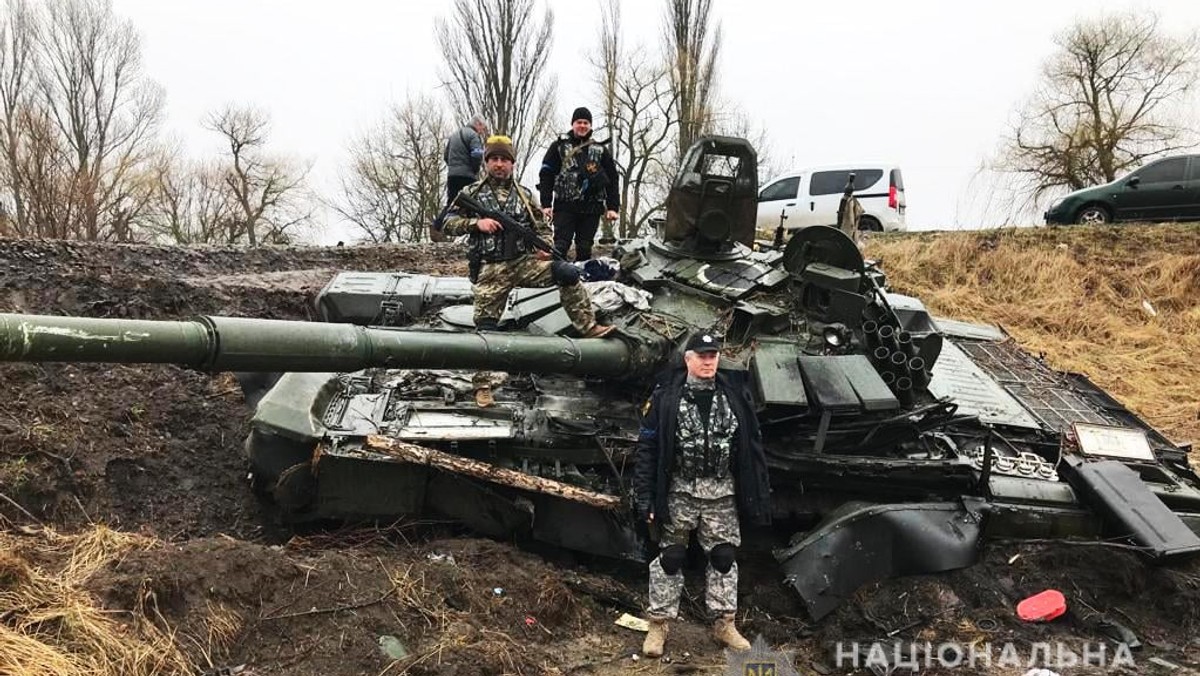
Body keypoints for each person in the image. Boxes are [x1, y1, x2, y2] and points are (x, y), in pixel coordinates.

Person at [632, 332, 771, 657]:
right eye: (702, 355)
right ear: (688, 359)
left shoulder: (735, 396)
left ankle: (724, 624)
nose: (708, 361)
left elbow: (752, 448)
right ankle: (658, 625)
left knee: (723, 557)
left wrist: (758, 492)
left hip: (722, 492)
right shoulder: (667, 398)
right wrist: (645, 496)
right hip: (680, 489)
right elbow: (648, 448)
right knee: (671, 557)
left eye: (713, 355)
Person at [442, 134, 615, 341]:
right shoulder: (471, 193)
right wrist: (476, 224)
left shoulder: (524, 195)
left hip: (523, 264)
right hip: (490, 270)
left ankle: (588, 326)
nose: (499, 164)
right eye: (494, 159)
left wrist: (545, 247)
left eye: (504, 160)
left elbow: (542, 228)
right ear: (486, 162)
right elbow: (446, 223)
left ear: (512, 164)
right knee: (486, 332)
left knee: (567, 272)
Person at [538, 106, 620, 262]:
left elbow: (612, 179)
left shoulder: (600, 150)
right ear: (573, 124)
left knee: (584, 248)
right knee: (560, 246)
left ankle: (581, 282)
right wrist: (546, 203)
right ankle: (557, 279)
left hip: (591, 208)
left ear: (590, 126)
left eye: (586, 123)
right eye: (579, 122)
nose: (582, 126)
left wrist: (613, 207)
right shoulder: (559, 147)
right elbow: (546, 174)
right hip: (565, 206)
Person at [445, 114, 489, 204]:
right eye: (482, 128)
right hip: (467, 177)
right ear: (478, 124)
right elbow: (477, 155)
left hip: (452, 176)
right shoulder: (473, 136)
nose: (481, 131)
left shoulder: (454, 135)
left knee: (452, 204)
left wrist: (453, 167)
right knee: (469, 205)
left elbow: (446, 156)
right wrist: (475, 170)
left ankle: (443, 218)